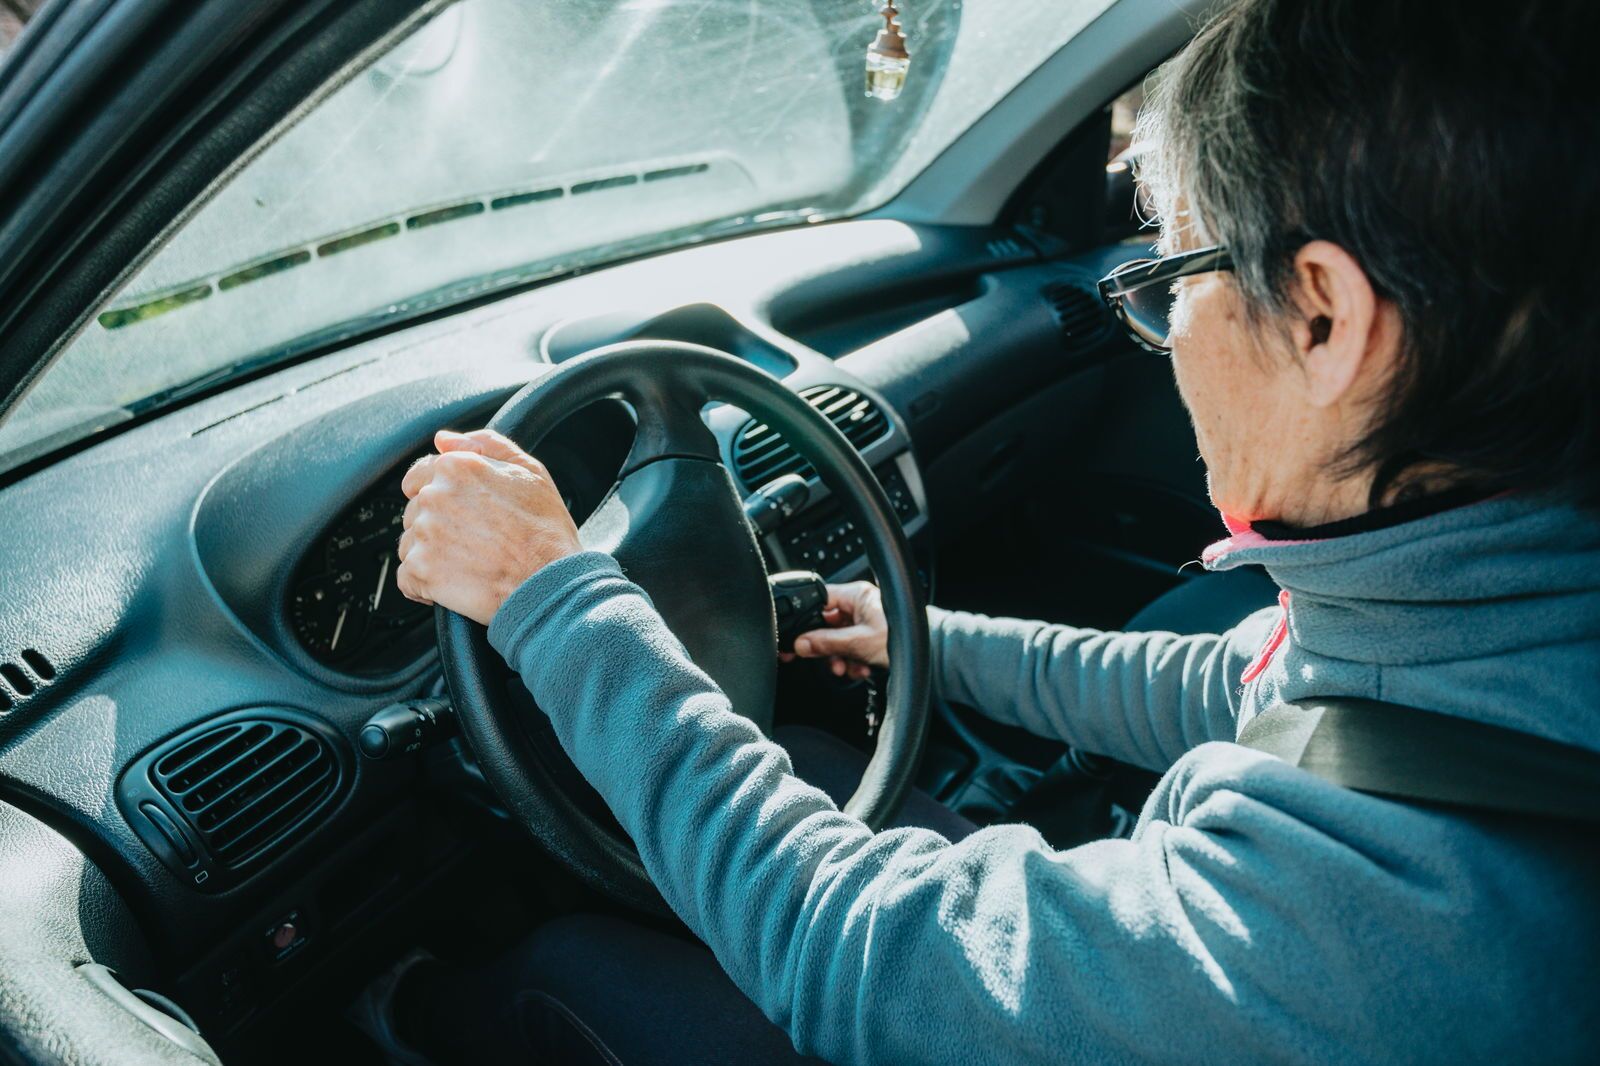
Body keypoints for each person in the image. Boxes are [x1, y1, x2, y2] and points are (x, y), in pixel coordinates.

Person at [384, 0, 1600, 1061]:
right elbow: (1259, 691)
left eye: (1170, 279)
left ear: (1328, 318)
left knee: (571, 968)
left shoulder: (1371, 922)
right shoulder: (1493, 607)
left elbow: (848, 947)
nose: (1166, 328)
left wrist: (555, 597)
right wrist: (923, 636)